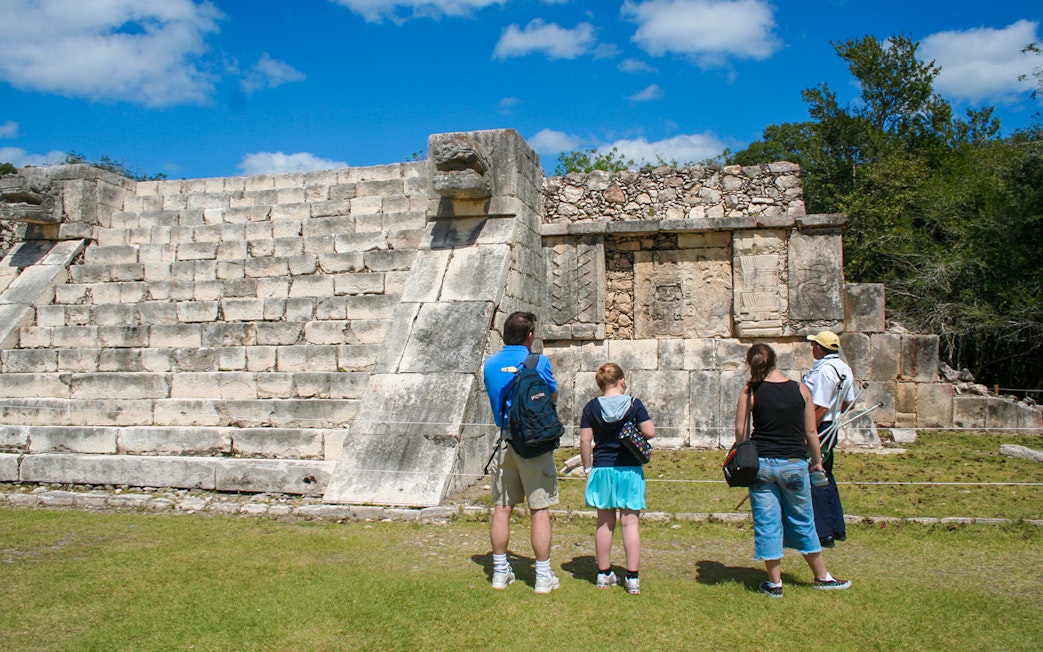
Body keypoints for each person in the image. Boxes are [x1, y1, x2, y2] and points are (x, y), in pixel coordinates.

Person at [735, 343, 851, 598]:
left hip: (762, 464)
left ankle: (775, 583)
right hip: (794, 463)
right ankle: (822, 576)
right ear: (776, 359)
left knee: (767, 523)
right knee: (803, 519)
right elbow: (811, 432)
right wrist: (817, 462)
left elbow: (741, 434)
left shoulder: (750, 390)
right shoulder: (801, 389)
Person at [482, 311, 561, 594]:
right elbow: (552, 395)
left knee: (502, 509)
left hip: (505, 441)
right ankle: (542, 575)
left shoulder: (490, 364)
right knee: (539, 509)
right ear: (529, 335)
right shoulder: (539, 362)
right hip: (534, 444)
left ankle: (500, 572)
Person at [578, 363, 655, 595]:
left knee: (604, 522)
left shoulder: (591, 407)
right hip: (629, 468)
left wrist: (587, 468)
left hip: (602, 468)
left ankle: (604, 573)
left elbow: (584, 441)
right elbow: (650, 431)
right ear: (622, 380)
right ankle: (632, 577)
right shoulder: (634, 404)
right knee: (630, 522)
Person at [803, 330, 856, 548]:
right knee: (827, 475)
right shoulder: (844, 368)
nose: (811, 348)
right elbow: (848, 402)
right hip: (830, 424)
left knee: (815, 476)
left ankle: (823, 532)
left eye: (814, 344)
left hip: (820, 426)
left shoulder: (825, 371)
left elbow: (820, 406)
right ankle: (836, 526)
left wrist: (807, 434)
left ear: (820, 348)